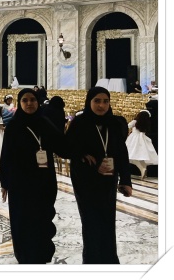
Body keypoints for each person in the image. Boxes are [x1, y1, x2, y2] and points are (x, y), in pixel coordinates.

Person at [0, 88, 68, 264]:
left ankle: (41, 256)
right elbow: (6, 155)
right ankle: (25, 257)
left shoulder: (45, 123)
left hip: (43, 182)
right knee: (22, 221)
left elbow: (62, 146)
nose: (29, 103)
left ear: (38, 102)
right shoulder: (14, 126)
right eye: (25, 100)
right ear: (20, 103)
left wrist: (83, 152)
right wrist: (4, 181)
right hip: (20, 183)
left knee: (41, 220)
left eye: (33, 100)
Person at [66, 86, 132, 264]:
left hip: (108, 180)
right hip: (86, 181)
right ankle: (92, 262)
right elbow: (68, 148)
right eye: (97, 101)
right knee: (91, 222)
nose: (101, 105)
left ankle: (109, 261)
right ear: (89, 102)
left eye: (105, 101)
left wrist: (126, 180)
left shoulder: (115, 123)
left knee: (107, 221)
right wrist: (83, 156)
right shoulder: (80, 123)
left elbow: (121, 153)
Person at [126, 110, 158, 179]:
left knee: (130, 156)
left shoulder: (135, 121)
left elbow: (127, 126)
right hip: (143, 139)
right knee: (141, 156)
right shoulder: (146, 123)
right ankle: (144, 171)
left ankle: (142, 169)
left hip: (134, 139)